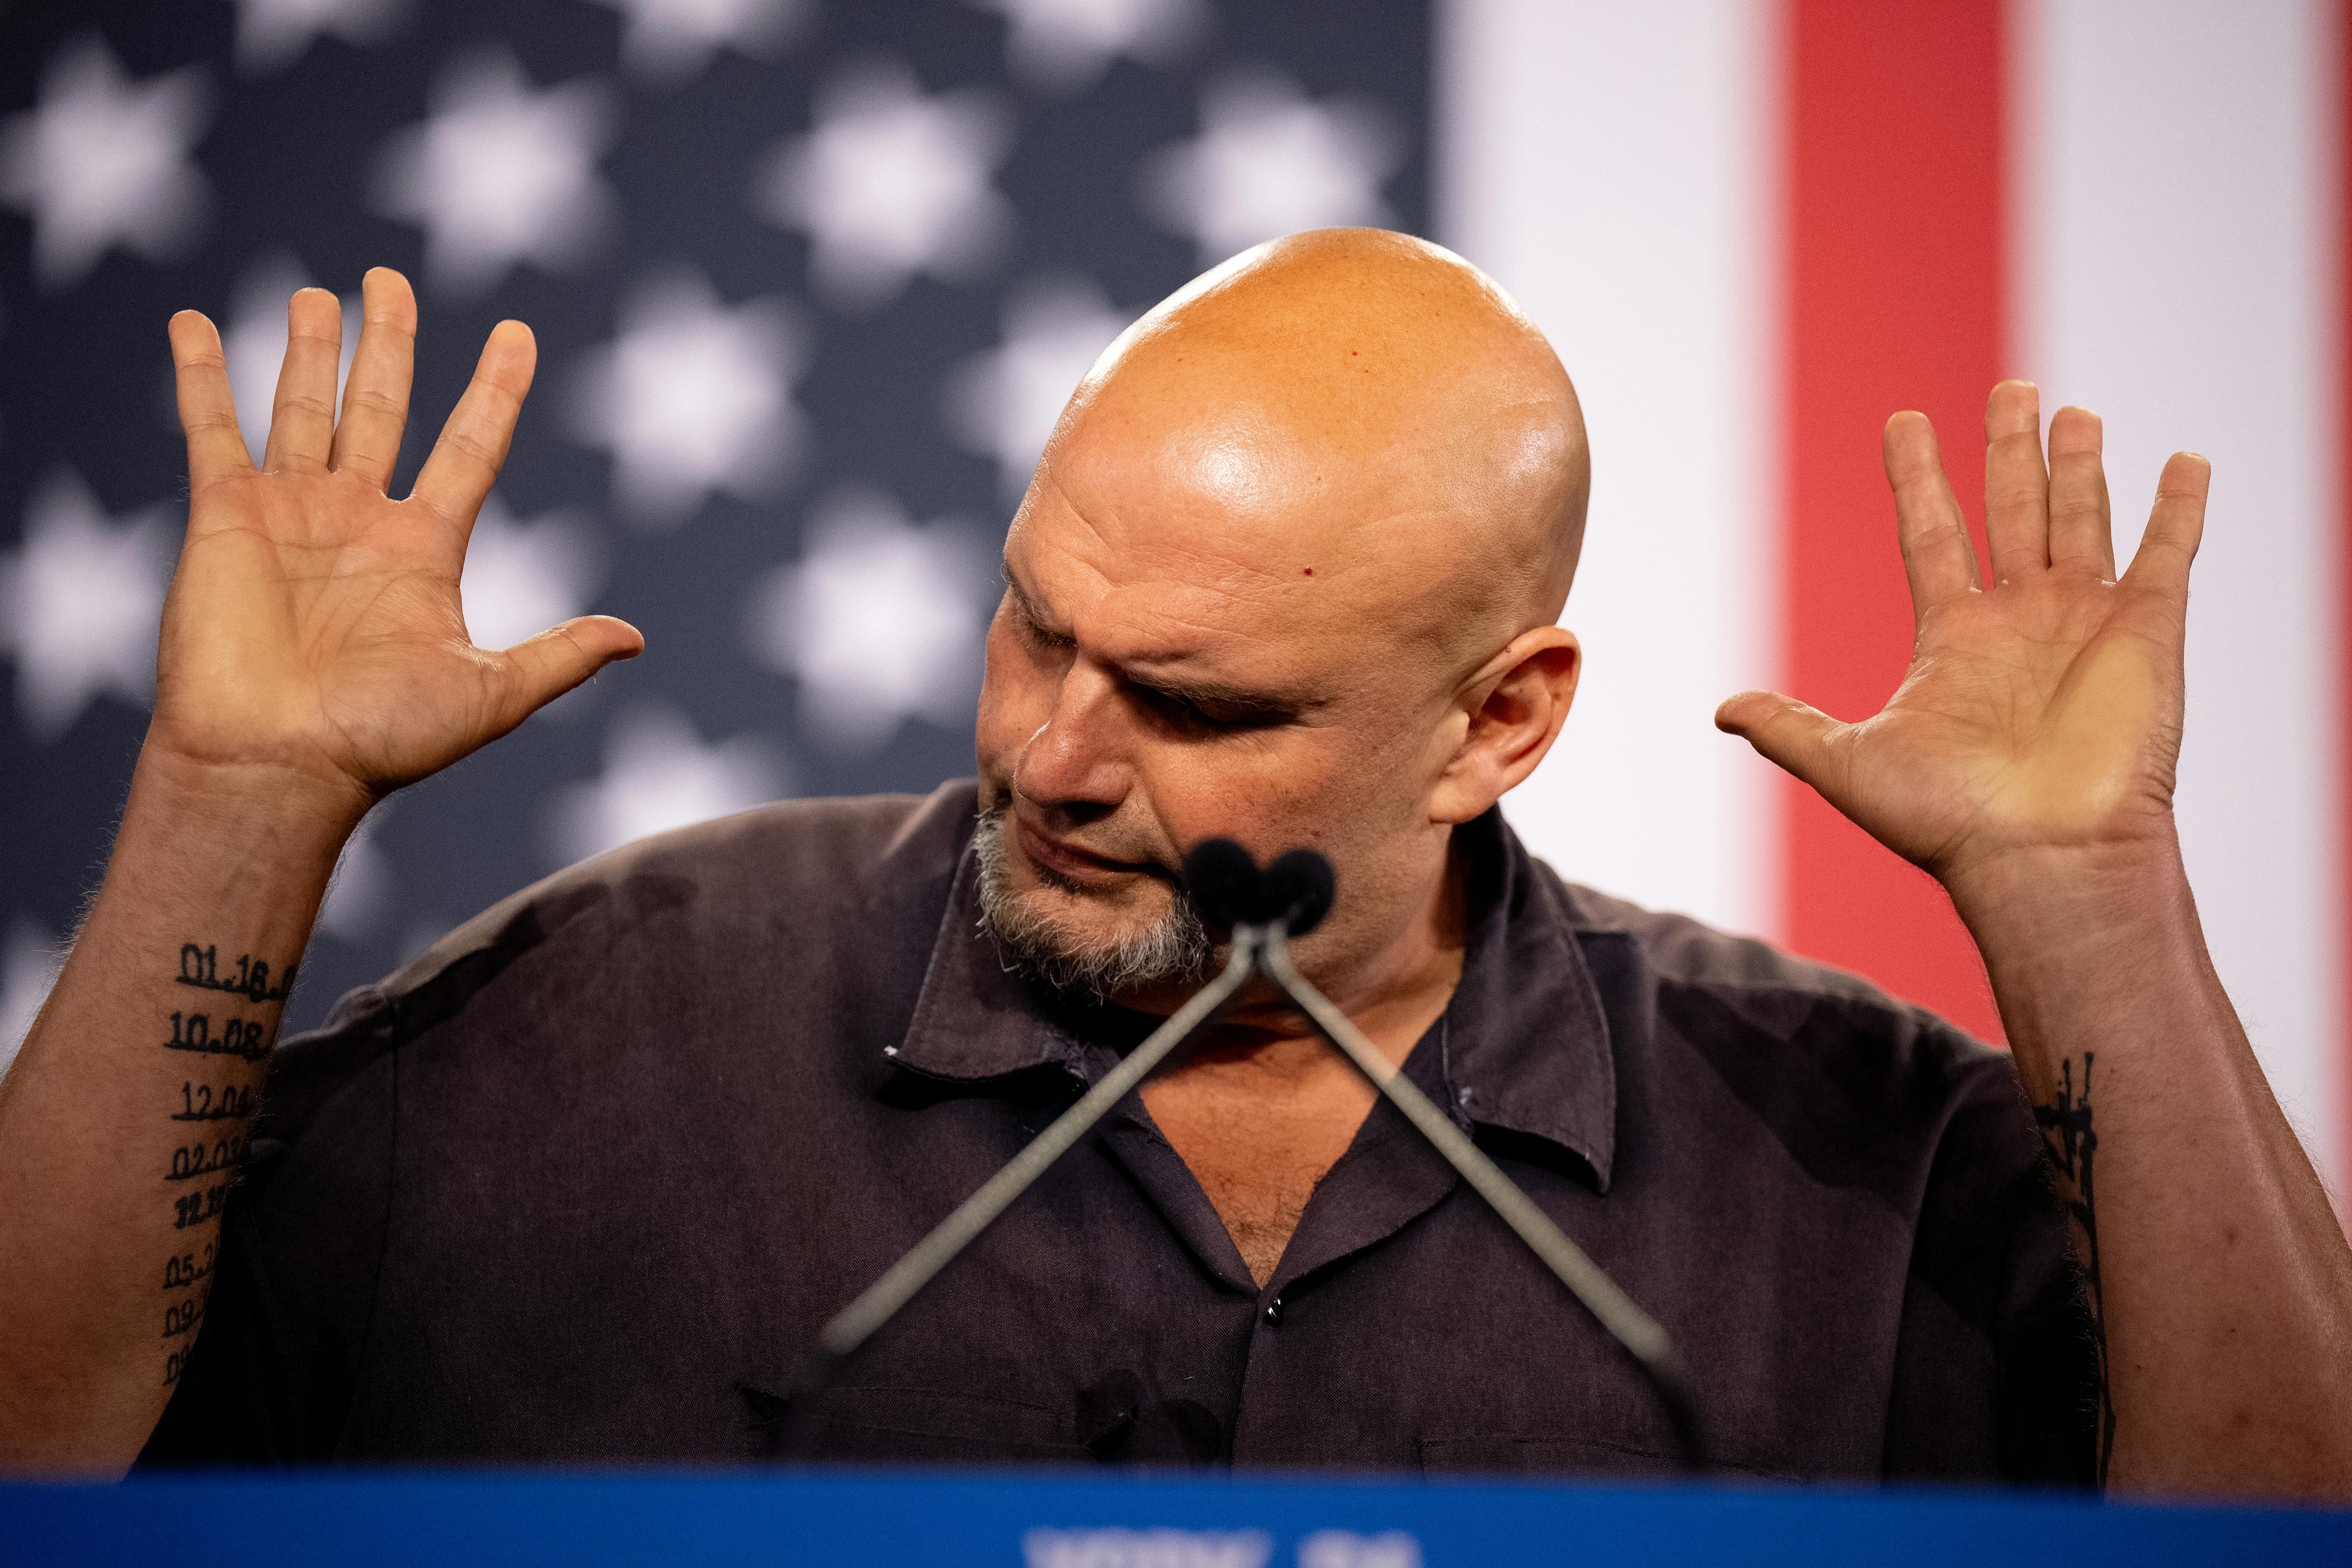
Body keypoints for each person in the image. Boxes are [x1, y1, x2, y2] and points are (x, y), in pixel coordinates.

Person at [1, 230, 2347, 1491]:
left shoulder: (1849, 1164)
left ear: (1498, 723)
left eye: (1200, 704)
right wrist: (236, 806)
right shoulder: (597, 1020)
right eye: (1034, 621)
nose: (1050, 751)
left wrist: (2085, 903)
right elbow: (45, 1452)